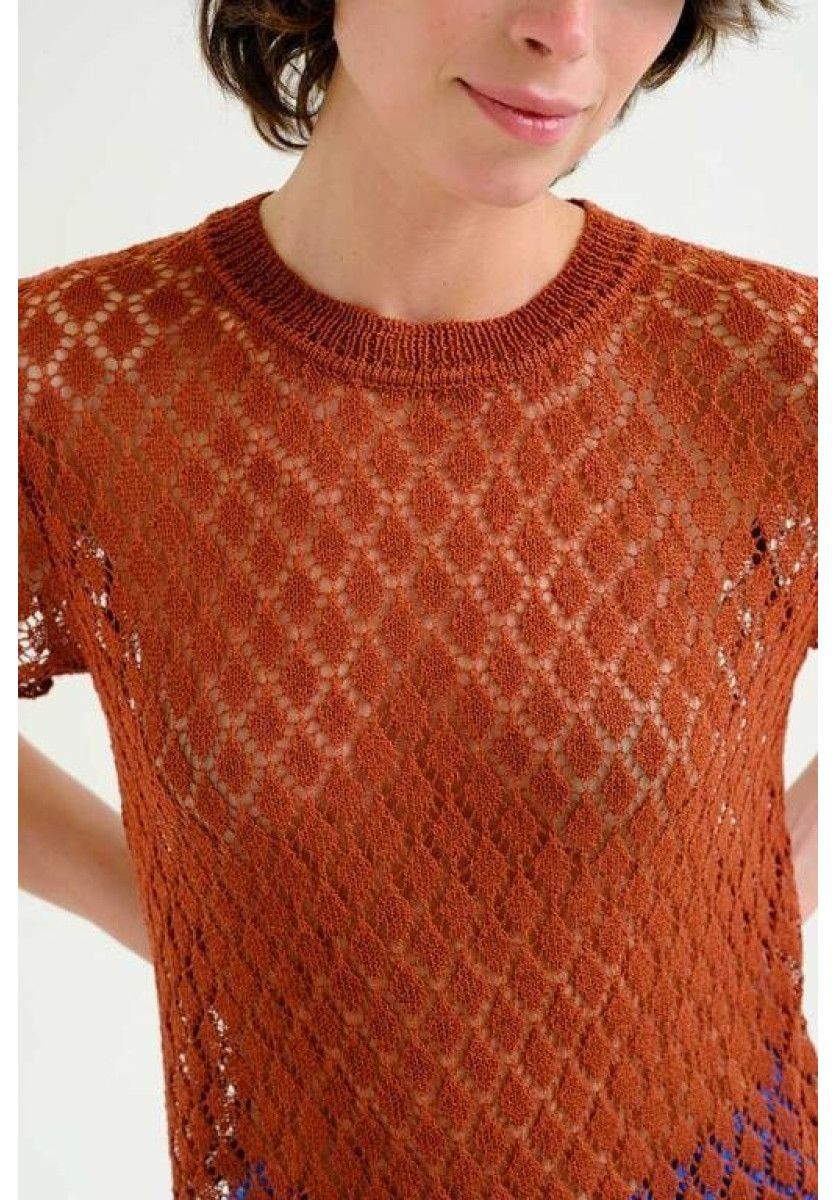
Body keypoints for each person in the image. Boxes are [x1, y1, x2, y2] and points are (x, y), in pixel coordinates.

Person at [19, 1, 817, 1197]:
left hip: (718, 1161)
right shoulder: (64, 380)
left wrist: (756, 873)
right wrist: (187, 921)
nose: (564, 30)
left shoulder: (775, 364)